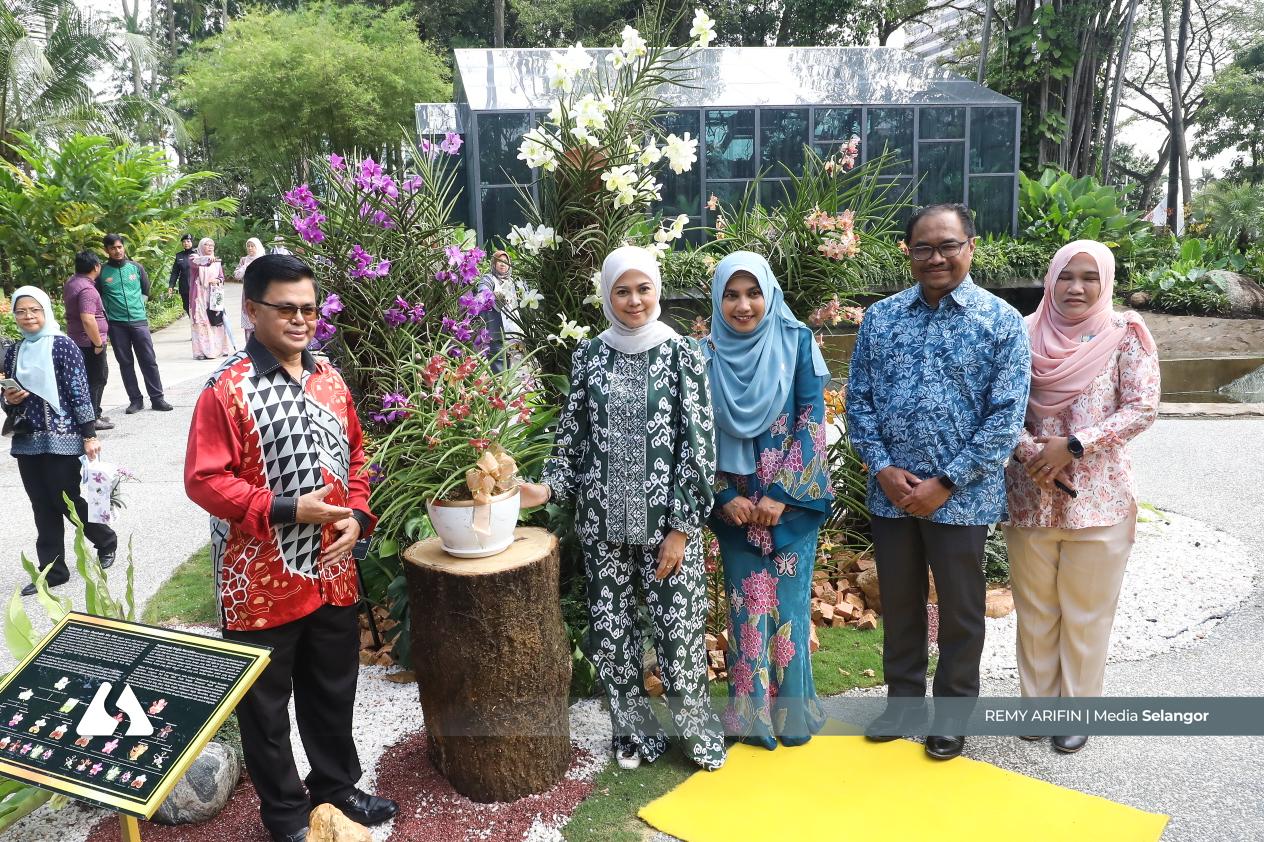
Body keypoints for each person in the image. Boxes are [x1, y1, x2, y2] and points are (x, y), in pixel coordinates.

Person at [184, 254, 397, 842]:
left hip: (332, 573)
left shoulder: (330, 379)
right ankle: (284, 815)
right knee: (265, 709)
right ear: (252, 311)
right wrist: (285, 508)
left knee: (333, 691)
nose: (301, 319)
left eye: (309, 308)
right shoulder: (225, 390)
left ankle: (336, 788)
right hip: (258, 582)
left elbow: (356, 456)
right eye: (286, 309)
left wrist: (359, 515)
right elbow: (204, 480)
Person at [519, 246, 726, 773]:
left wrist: (682, 528)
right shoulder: (590, 355)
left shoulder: (682, 353)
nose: (634, 300)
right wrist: (546, 489)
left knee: (678, 634)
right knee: (613, 638)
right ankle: (634, 734)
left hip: (667, 529)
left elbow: (699, 447)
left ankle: (697, 736)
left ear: (657, 290)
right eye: (622, 291)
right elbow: (573, 437)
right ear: (607, 295)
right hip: (602, 524)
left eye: (643, 289)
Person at [846, 203, 1031, 760]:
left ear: (970, 247)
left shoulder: (1001, 321)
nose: (936, 257)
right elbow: (859, 400)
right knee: (900, 604)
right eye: (923, 247)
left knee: (960, 611)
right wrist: (882, 467)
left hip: (963, 498)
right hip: (892, 494)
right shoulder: (881, 319)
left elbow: (1005, 418)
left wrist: (946, 482)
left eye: (948, 245)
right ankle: (903, 703)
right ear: (908, 253)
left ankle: (951, 716)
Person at [1003, 240, 1160, 755]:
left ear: (1105, 282)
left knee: (1087, 614)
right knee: (1035, 611)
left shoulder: (1125, 334)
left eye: (1089, 277)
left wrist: (1073, 445)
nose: (1076, 287)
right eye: (1067, 276)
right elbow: (998, 406)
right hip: (1032, 495)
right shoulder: (1019, 333)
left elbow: (1142, 407)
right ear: (1051, 280)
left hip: (1099, 500)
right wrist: (1032, 452)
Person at [704, 251, 833, 749]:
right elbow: (693, 432)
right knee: (745, 610)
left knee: (790, 610)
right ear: (717, 300)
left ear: (770, 294)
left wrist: (780, 495)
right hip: (734, 509)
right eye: (732, 295)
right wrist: (721, 494)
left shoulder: (797, 341)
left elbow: (811, 420)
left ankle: (792, 716)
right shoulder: (704, 353)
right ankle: (749, 716)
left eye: (753, 293)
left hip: (790, 507)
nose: (743, 306)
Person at [3, 287, 117, 597]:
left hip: (64, 437)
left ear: (45, 311)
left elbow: (79, 391)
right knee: (41, 505)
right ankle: (53, 571)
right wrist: (9, 398)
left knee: (66, 500)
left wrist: (89, 434)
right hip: (27, 439)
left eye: (34, 310)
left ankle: (105, 539)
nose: (28, 316)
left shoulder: (62, 345)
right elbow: (7, 400)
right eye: (21, 311)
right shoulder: (14, 351)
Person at [99, 234, 172, 414]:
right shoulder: (102, 272)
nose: (117, 251)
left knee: (149, 360)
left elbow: (146, 290)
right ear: (107, 250)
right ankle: (135, 401)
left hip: (139, 321)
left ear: (123, 247)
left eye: (119, 247)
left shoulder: (136, 267)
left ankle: (157, 399)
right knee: (125, 363)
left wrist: (138, 307)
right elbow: (98, 297)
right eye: (113, 248)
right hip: (116, 324)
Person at [63, 251, 112, 430]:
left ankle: (95, 413)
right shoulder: (87, 290)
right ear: (96, 267)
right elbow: (88, 319)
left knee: (92, 378)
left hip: (78, 340)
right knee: (97, 379)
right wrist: (97, 343)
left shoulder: (72, 282)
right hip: (89, 342)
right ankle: (92, 419)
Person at [190, 237, 231, 360]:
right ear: (201, 246)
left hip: (214, 295)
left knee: (216, 320)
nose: (210, 247)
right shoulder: (194, 258)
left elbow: (221, 277)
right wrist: (208, 260)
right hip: (199, 297)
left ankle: (219, 349)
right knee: (202, 322)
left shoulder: (217, 261)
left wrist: (216, 280)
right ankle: (201, 352)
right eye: (207, 245)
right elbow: (196, 262)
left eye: (212, 245)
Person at [476, 250, 517, 371]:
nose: (503, 264)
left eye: (505, 261)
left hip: (512, 331)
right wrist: (494, 295)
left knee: (511, 366)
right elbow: (483, 290)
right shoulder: (488, 278)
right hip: (495, 330)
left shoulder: (512, 282)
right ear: (494, 264)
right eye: (499, 261)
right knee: (498, 367)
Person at [234, 237, 266, 345]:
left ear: (257, 247)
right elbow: (237, 276)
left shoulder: (263, 259)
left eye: (252, 246)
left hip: (261, 293)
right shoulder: (244, 260)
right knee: (249, 318)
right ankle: (250, 346)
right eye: (248, 246)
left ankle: (263, 346)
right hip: (247, 293)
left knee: (261, 319)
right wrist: (245, 266)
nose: (250, 248)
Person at [168, 233, 196, 315]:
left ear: (192, 242)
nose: (186, 243)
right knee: (186, 307)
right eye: (184, 242)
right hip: (184, 287)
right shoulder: (179, 256)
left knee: (197, 307)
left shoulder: (197, 254)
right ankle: (193, 321)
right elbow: (175, 272)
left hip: (196, 286)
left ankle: (198, 321)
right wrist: (171, 286)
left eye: (188, 241)